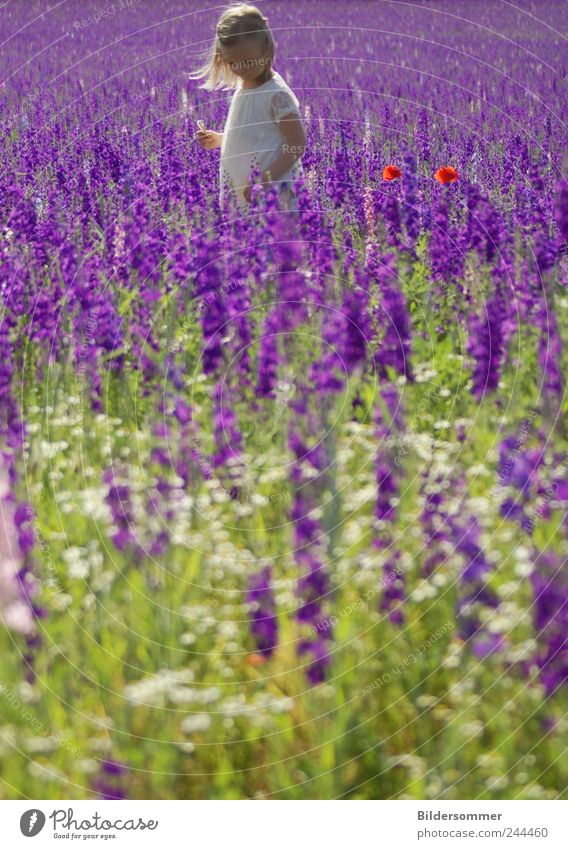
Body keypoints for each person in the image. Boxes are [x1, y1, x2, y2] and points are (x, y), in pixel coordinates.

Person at [192, 4, 306, 207]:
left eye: (248, 61)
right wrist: (220, 139)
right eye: (233, 63)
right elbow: (254, 133)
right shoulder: (243, 87)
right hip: (245, 193)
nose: (241, 69)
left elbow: (297, 143)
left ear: (266, 49)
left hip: (273, 195)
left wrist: (265, 181)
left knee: (275, 237)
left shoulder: (276, 95)